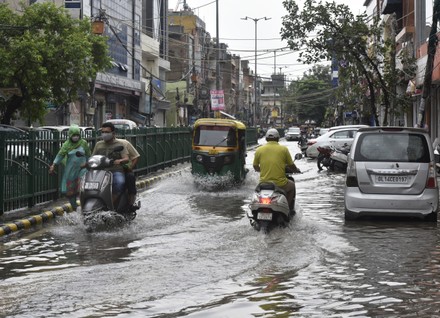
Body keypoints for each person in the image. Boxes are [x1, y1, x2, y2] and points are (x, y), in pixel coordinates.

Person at [253, 128, 300, 212]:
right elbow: (291, 164)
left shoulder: (259, 150)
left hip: (263, 183)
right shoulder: (283, 149)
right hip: (280, 184)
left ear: (266, 138)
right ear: (278, 138)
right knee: (292, 185)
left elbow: (255, 166)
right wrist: (296, 170)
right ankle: (288, 209)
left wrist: (263, 170)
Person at [49, 125, 91, 210]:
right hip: (71, 171)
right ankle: (75, 208)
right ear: (70, 135)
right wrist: (53, 165)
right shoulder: (66, 145)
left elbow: (88, 155)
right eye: (74, 135)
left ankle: (85, 207)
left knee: (81, 188)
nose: (76, 137)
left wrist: (89, 164)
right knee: (69, 192)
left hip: (82, 169)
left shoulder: (83, 143)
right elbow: (60, 155)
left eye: (77, 135)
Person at [92, 122, 130, 209]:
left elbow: (126, 158)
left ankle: (109, 204)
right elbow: (93, 157)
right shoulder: (98, 144)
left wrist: (119, 161)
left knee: (120, 183)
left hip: (116, 171)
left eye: (107, 132)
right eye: (103, 132)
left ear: (113, 133)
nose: (104, 134)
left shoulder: (120, 144)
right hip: (101, 171)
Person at [117, 138, 140, 211]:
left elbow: (136, 156)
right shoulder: (100, 145)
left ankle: (131, 202)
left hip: (123, 170)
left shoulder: (124, 143)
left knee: (130, 177)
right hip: (108, 170)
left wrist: (130, 168)